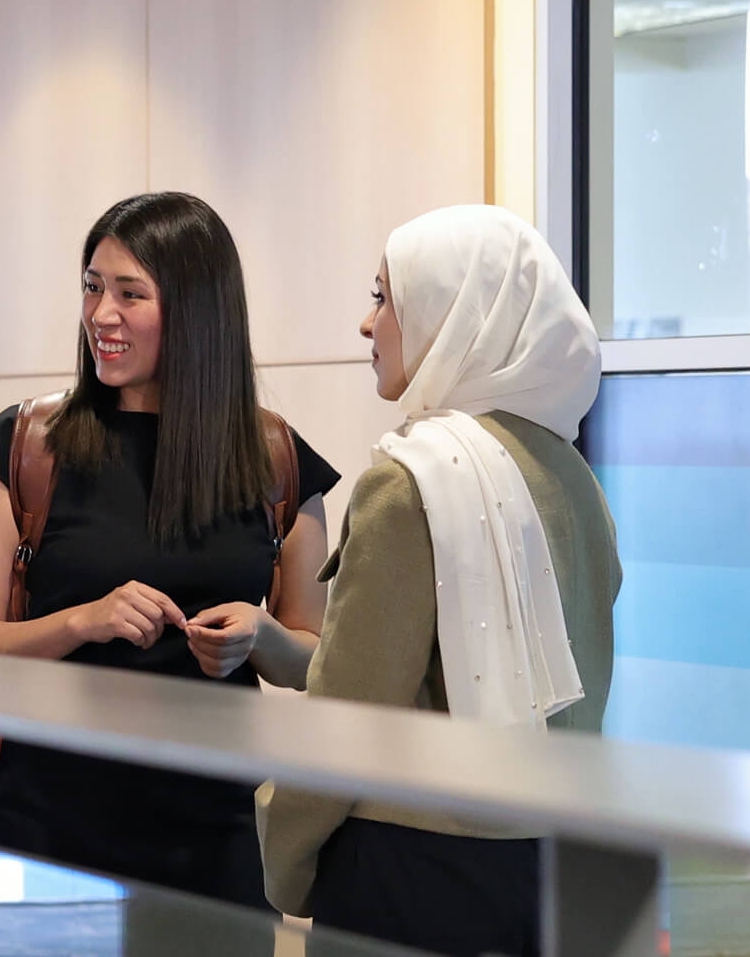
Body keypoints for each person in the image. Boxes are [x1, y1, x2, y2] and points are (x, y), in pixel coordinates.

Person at [0, 192, 340, 916]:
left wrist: (262, 637)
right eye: (92, 288)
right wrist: (80, 622)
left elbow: (315, 655)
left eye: (130, 294)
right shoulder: (25, 446)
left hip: (215, 832)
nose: (101, 315)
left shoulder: (275, 458)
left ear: (197, 310)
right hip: (48, 824)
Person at [257, 205, 619, 957]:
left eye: (385, 297)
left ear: (453, 313)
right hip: (548, 865)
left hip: (406, 873)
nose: (367, 324)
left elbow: (350, 716)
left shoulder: (409, 481)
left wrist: (281, 854)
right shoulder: (575, 479)